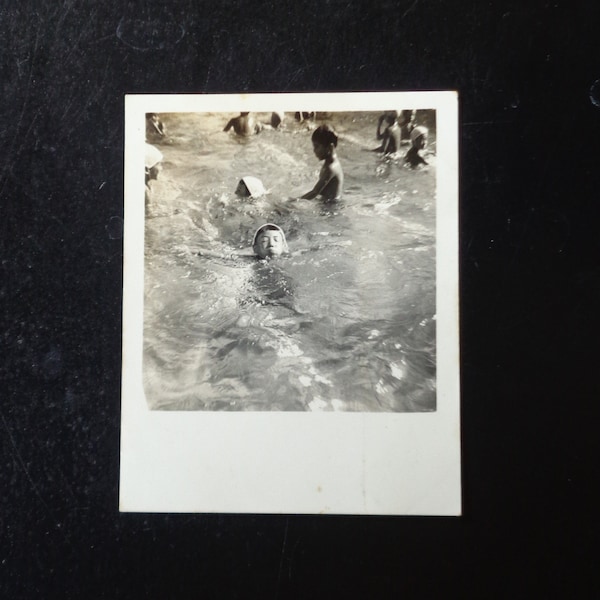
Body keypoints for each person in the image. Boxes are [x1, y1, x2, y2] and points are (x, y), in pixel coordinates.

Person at [301, 124, 344, 201]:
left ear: (329, 147)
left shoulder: (331, 168)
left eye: (317, 146)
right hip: (327, 204)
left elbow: (315, 192)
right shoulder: (329, 162)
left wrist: (294, 201)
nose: (314, 150)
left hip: (331, 209)